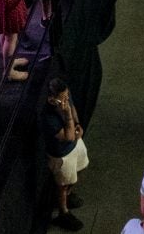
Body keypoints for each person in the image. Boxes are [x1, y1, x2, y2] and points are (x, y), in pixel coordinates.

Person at [44, 78, 89, 232]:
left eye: (67, 96)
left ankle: (68, 196)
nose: (66, 100)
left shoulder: (65, 99)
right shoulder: (48, 118)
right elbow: (68, 136)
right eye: (63, 98)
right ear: (52, 99)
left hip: (75, 145)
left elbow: (73, 106)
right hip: (61, 156)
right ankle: (63, 212)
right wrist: (68, 114)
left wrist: (77, 124)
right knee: (62, 185)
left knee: (81, 168)